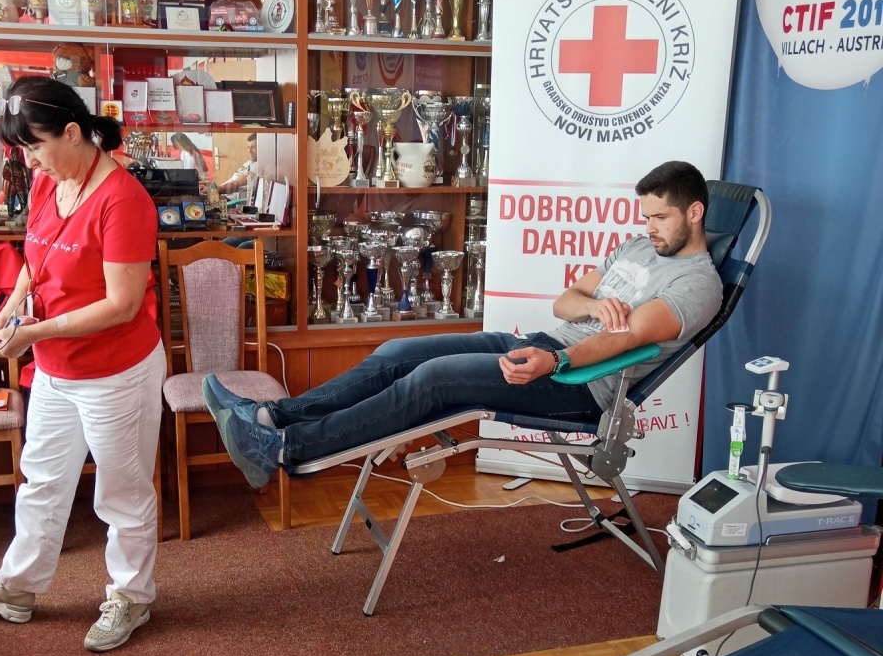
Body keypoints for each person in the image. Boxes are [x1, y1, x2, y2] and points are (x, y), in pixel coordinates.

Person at [203, 161, 724, 489]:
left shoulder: (698, 284)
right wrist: (591, 308)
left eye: (660, 218)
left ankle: (282, 448)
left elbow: (629, 338)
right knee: (397, 353)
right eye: (646, 216)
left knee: (433, 381)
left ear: (694, 212)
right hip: (540, 346)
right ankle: (273, 416)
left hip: (578, 384)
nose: (648, 228)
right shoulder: (637, 248)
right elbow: (565, 302)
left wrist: (557, 360)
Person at [0, 76, 165, 653]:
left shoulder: (124, 200)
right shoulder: (50, 181)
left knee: (122, 493)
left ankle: (131, 596)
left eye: (35, 146)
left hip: (117, 374)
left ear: (73, 132)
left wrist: (34, 332)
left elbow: (122, 305)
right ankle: (18, 586)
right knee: (41, 480)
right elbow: (34, 259)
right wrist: (12, 307)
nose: (29, 161)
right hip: (55, 368)